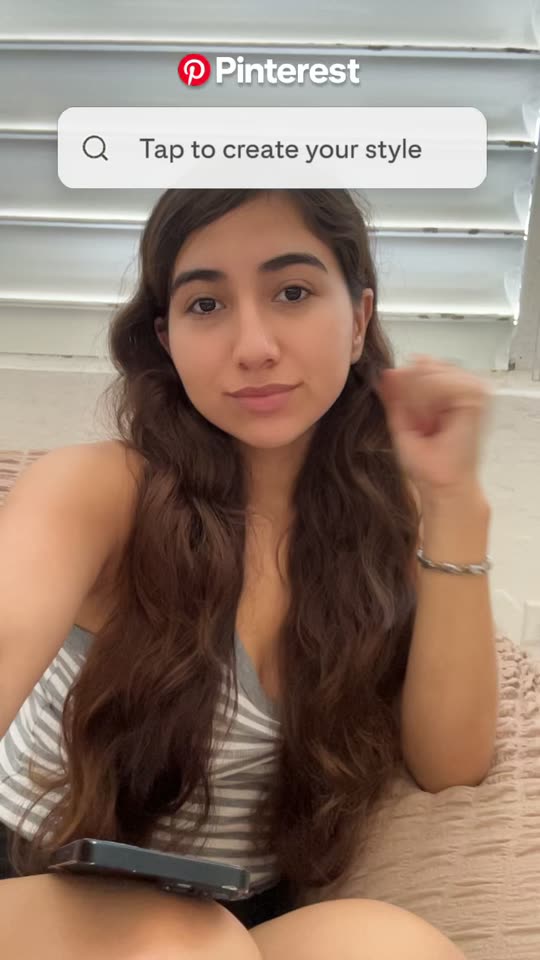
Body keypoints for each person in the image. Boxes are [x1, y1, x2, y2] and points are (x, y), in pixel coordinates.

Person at [0, 188, 498, 959]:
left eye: (292, 292)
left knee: (398, 946)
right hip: (33, 880)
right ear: (166, 338)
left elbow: (451, 767)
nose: (254, 346)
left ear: (358, 319)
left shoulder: (383, 525)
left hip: (235, 917)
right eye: (206, 305)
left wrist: (455, 501)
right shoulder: (95, 492)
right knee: (183, 945)